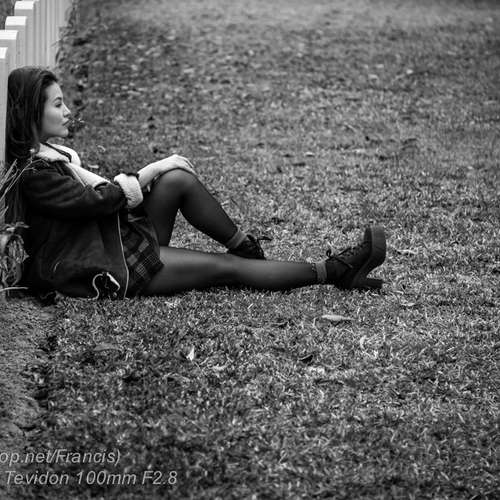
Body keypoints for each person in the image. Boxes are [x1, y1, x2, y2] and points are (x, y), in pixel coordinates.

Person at [3, 66, 387, 300]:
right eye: (57, 104)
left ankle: (246, 247)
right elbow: (99, 201)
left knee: (176, 180)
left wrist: (158, 174)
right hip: (103, 264)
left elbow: (102, 201)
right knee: (226, 268)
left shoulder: (53, 158)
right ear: (33, 111)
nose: (67, 111)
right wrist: (150, 170)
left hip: (111, 240)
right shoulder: (34, 173)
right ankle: (333, 270)